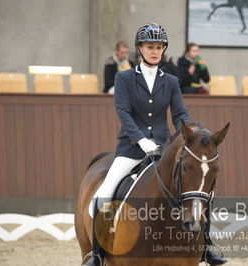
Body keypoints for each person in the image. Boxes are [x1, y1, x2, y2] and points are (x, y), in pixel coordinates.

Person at [83, 23, 226, 266]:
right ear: (140, 48)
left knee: (199, 193)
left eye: (159, 47)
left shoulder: (170, 80)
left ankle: (206, 247)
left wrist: (190, 135)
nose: (155, 51)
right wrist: (140, 139)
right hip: (131, 149)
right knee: (104, 195)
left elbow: (180, 114)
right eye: (150, 47)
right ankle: (97, 253)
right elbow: (123, 112)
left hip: (162, 149)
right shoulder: (124, 77)